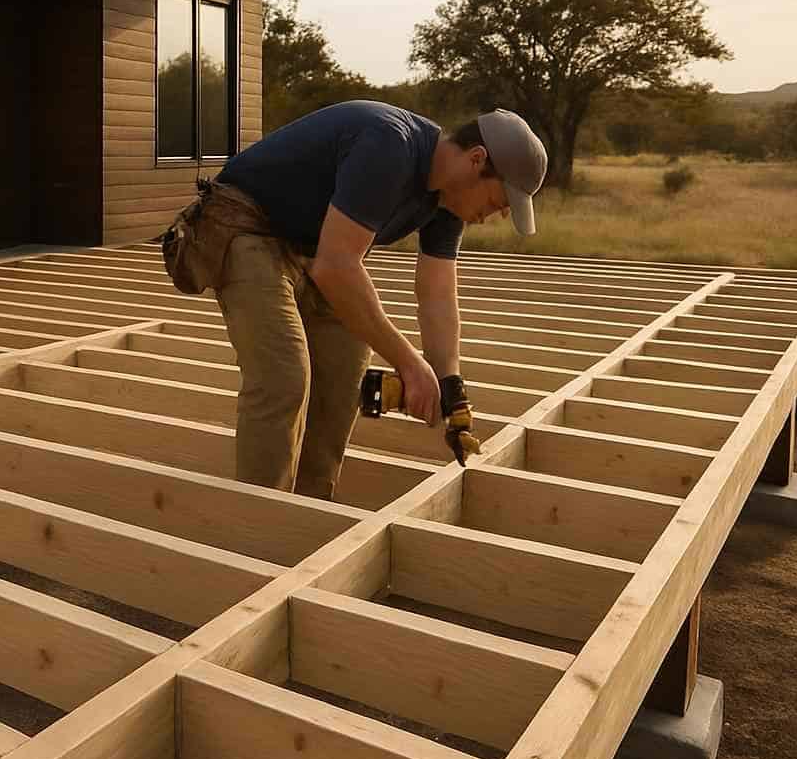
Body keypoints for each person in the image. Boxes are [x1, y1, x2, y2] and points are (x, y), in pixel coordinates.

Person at [201, 101, 547, 500]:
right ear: (476, 160)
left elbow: (436, 293)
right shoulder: (390, 147)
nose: (497, 214)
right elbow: (336, 267)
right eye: (500, 200)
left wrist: (450, 384)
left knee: (344, 374)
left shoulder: (448, 199)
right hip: (247, 226)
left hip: (313, 246)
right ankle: (260, 523)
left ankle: (308, 512)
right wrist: (409, 363)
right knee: (284, 377)